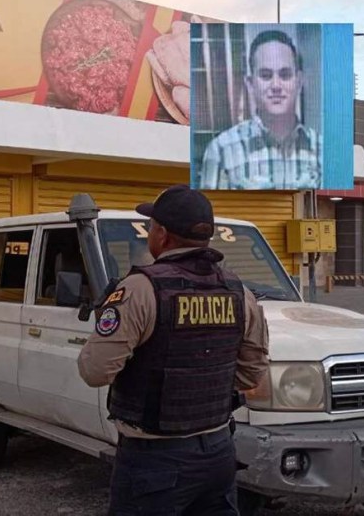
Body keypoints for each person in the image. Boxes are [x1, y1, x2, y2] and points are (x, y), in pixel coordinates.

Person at [77, 184, 269, 515]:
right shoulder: (240, 293)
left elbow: (94, 372)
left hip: (155, 460)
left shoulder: (139, 289)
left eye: (152, 226)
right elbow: (252, 372)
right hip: (219, 452)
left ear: (162, 235)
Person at [197, 29, 320, 190]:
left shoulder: (323, 149)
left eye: (285, 75)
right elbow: (210, 213)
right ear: (250, 84)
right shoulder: (220, 151)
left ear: (299, 82)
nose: (276, 86)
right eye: (266, 75)